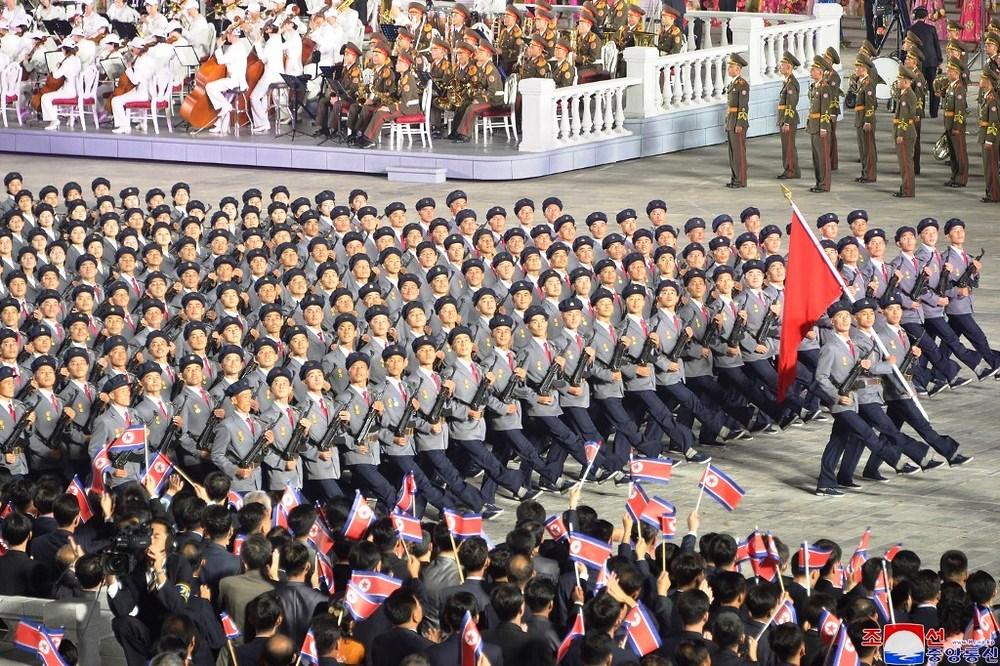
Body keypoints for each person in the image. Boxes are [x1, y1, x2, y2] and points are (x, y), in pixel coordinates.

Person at [807, 55, 832, 193]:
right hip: (813, 125)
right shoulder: (815, 87)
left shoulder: (824, 88)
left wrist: (823, 127)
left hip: (820, 127)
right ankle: (818, 182)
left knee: (823, 157)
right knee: (816, 157)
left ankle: (824, 184)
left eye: (814, 70)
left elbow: (825, 110)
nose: (811, 72)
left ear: (820, 72)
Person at [725, 54, 750, 188]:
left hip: (737, 122)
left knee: (739, 153)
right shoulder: (733, 84)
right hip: (731, 121)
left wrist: (740, 123)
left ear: (738, 69)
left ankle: (741, 180)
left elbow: (743, 106)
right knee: (732, 152)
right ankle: (735, 178)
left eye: (731, 67)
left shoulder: (742, 85)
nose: (729, 69)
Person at [893, 66, 918, 198]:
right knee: (904, 163)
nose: (897, 82)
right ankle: (905, 188)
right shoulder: (905, 94)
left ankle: (908, 190)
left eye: (899, 80)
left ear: (905, 82)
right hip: (905, 132)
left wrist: (900, 134)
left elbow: (905, 116)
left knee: (906, 163)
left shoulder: (908, 96)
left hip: (906, 133)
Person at [777, 51, 801, 180]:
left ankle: (791, 170)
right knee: (787, 146)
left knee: (789, 146)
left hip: (789, 120)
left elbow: (791, 104)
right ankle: (792, 170)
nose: (779, 67)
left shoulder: (791, 83)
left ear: (789, 67)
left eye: (782, 65)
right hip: (785, 118)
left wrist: (786, 122)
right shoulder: (787, 82)